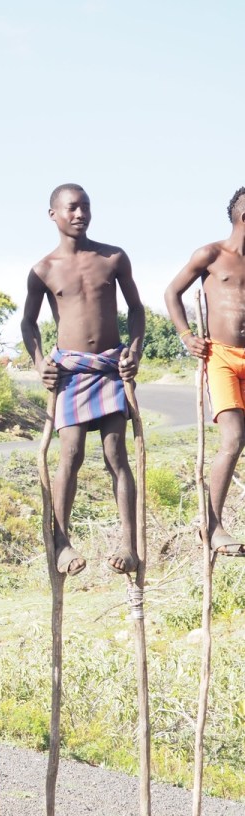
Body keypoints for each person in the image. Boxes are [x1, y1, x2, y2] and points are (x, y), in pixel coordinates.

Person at [21, 183, 145, 576]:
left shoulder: (112, 258)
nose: (80, 215)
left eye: (85, 207)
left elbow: (136, 309)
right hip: (71, 372)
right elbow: (27, 323)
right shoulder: (43, 269)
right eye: (71, 208)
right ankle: (62, 543)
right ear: (52, 215)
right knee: (70, 454)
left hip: (109, 368)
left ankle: (128, 545)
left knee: (116, 455)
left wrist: (134, 352)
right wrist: (40, 362)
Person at [165, 187, 245, 555]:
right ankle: (211, 526)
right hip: (221, 357)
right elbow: (172, 292)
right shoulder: (211, 254)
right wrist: (186, 335)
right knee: (233, 438)